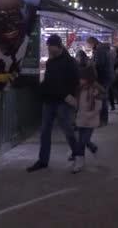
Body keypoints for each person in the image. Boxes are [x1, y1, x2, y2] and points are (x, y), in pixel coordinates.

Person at [27, 35, 79, 173]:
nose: (48, 48)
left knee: (67, 129)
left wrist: (69, 95)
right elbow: (48, 81)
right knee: (45, 132)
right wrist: (41, 89)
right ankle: (43, 160)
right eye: (48, 45)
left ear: (58, 46)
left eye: (50, 45)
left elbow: (76, 81)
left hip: (63, 101)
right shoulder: (50, 61)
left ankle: (77, 152)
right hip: (49, 100)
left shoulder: (70, 62)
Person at [65, 66, 106, 174]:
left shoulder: (95, 90)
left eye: (82, 78)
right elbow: (77, 104)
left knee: (84, 140)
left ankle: (94, 149)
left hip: (90, 121)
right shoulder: (80, 89)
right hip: (81, 120)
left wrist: (89, 115)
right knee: (81, 142)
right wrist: (68, 98)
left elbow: (98, 106)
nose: (80, 80)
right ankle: (79, 162)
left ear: (88, 78)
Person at [88, 37, 114, 126]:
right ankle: (103, 119)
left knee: (102, 98)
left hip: (103, 77)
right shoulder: (104, 49)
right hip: (107, 76)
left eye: (89, 44)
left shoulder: (100, 51)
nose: (88, 46)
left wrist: (91, 64)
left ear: (92, 43)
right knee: (103, 97)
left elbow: (99, 64)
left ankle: (103, 120)